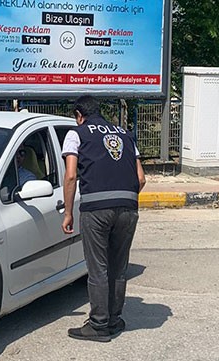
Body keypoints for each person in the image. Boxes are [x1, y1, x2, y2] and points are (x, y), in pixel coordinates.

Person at [61, 95, 146, 342]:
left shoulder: (77, 133)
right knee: (118, 266)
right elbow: (141, 178)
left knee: (98, 268)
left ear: (79, 115)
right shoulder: (125, 134)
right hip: (129, 207)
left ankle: (98, 325)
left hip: (96, 209)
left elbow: (70, 176)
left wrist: (68, 213)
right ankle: (114, 319)